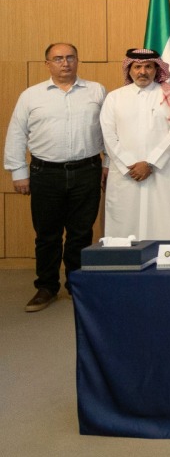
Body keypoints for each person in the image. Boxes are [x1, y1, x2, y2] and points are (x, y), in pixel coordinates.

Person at [4, 43, 106, 312]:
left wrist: (108, 163)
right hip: (45, 174)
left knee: (81, 233)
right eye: (58, 58)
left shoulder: (96, 91)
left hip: (87, 171)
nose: (65, 63)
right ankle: (46, 287)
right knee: (47, 234)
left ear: (78, 60)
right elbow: (17, 133)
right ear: (47, 63)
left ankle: (76, 284)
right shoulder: (31, 95)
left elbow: (108, 130)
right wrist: (19, 172)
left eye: (70, 57)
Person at [99, 48, 170, 241]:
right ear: (129, 70)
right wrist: (130, 164)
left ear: (157, 69)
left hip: (161, 170)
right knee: (124, 222)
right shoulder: (115, 97)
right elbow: (109, 135)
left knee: (163, 221)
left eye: (148, 67)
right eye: (137, 67)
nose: (143, 72)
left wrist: (150, 163)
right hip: (126, 171)